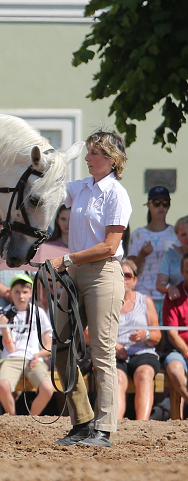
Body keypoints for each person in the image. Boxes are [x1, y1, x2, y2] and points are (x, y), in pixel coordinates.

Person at [49, 130, 132, 448]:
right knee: (61, 347)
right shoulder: (79, 188)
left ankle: (104, 427)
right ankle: (82, 421)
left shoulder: (117, 194)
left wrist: (66, 258)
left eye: (94, 153)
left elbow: (111, 247)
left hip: (102, 274)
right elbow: (49, 190)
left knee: (101, 351)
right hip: (74, 273)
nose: (87, 159)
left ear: (111, 160)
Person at [0, 273, 54, 417]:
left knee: (48, 388)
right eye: (17, 292)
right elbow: (11, 349)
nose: (21, 296)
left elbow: (49, 344)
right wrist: (3, 328)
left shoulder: (38, 312)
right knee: (3, 385)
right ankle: (13, 418)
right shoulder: (5, 313)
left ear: (30, 293)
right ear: (10, 293)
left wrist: (39, 354)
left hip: (33, 359)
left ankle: (31, 420)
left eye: (25, 292)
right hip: (11, 358)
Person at [115, 259, 161, 420]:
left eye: (127, 275)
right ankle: (116, 425)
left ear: (135, 280)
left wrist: (145, 334)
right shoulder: (107, 302)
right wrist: (113, 345)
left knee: (144, 374)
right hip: (115, 352)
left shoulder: (145, 301)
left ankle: (142, 425)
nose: (122, 279)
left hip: (142, 351)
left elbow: (157, 336)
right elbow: (90, 333)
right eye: (119, 275)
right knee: (117, 378)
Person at [128, 186, 178, 321]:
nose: (161, 207)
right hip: (143, 294)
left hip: (169, 293)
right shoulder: (138, 234)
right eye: (156, 203)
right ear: (149, 205)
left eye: (165, 203)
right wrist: (142, 255)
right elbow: (131, 271)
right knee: (148, 337)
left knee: (167, 337)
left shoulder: (176, 233)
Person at [161, 253, 188, 411]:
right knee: (174, 368)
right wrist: (186, 352)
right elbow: (172, 334)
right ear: (182, 272)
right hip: (179, 349)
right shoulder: (173, 296)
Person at [156, 215, 188, 304]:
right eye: (183, 234)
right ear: (177, 236)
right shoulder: (169, 256)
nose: (187, 238)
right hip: (177, 306)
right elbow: (159, 284)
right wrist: (169, 287)